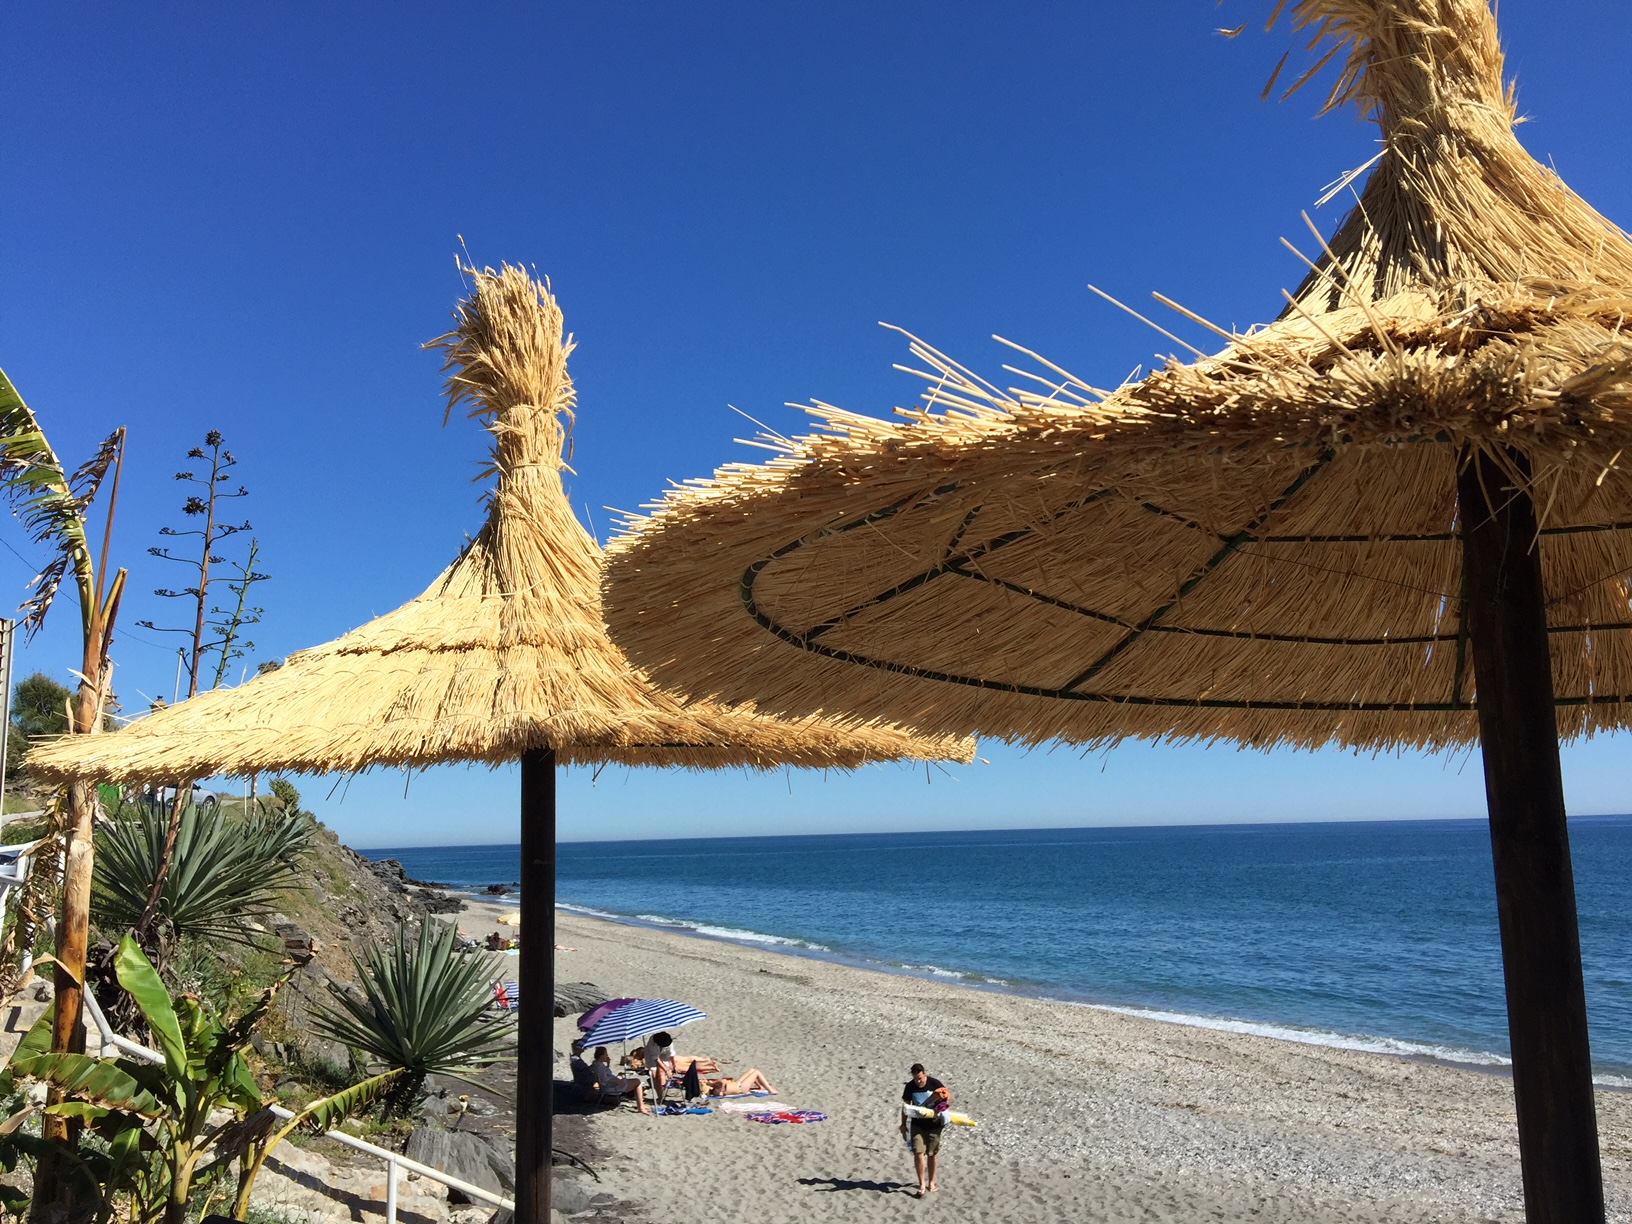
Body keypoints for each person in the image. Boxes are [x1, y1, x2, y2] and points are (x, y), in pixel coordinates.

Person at [900, 1062, 946, 1197]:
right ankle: (921, 1184)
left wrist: (942, 1115)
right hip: (917, 1125)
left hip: (934, 1125)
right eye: (916, 1079)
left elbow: (946, 1100)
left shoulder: (935, 1084)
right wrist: (903, 1124)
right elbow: (905, 1107)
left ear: (925, 1074)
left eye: (920, 1078)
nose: (918, 1081)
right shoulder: (910, 1087)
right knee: (918, 1152)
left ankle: (931, 1182)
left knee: (932, 1154)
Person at [591, 1046, 649, 1113]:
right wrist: (618, 1080)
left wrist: (608, 1064)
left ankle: (641, 1104)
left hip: (608, 1086)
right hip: (611, 1087)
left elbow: (605, 1075)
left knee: (633, 1081)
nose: (607, 1056)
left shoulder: (596, 1064)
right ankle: (641, 1107)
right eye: (606, 1054)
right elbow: (604, 1080)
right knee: (637, 1082)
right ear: (602, 1056)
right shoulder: (599, 1066)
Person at [703, 1068, 777, 1096]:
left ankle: (761, 1087)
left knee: (752, 1070)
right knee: (756, 1072)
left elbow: (724, 1081)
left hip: (737, 1084)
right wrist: (713, 1084)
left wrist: (714, 1083)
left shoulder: (716, 1086)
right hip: (740, 1088)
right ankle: (770, 1089)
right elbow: (723, 1083)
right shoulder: (717, 1092)